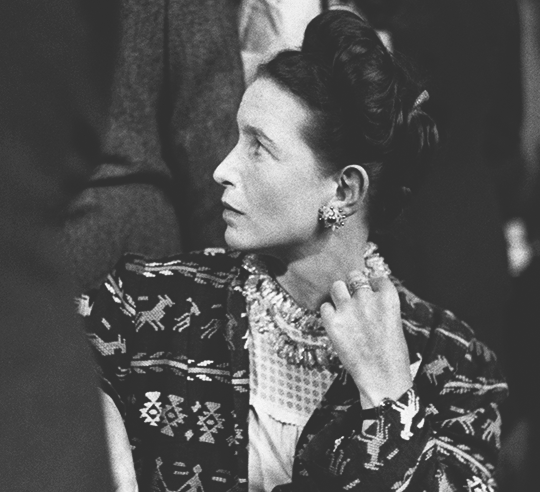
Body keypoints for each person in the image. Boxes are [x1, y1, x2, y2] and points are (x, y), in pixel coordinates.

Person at [82, 11, 507, 492]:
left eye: (259, 148)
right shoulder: (140, 307)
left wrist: (390, 398)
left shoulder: (457, 369)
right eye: (237, 138)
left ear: (344, 191)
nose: (222, 169)